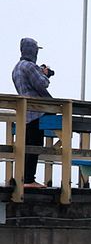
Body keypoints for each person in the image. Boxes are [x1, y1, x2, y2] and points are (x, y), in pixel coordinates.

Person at [11, 38, 54, 186]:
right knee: (35, 145)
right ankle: (29, 180)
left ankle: (23, 177)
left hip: (26, 113)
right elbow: (41, 84)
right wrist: (45, 74)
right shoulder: (30, 67)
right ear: (33, 51)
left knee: (27, 146)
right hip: (37, 112)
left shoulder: (16, 68)